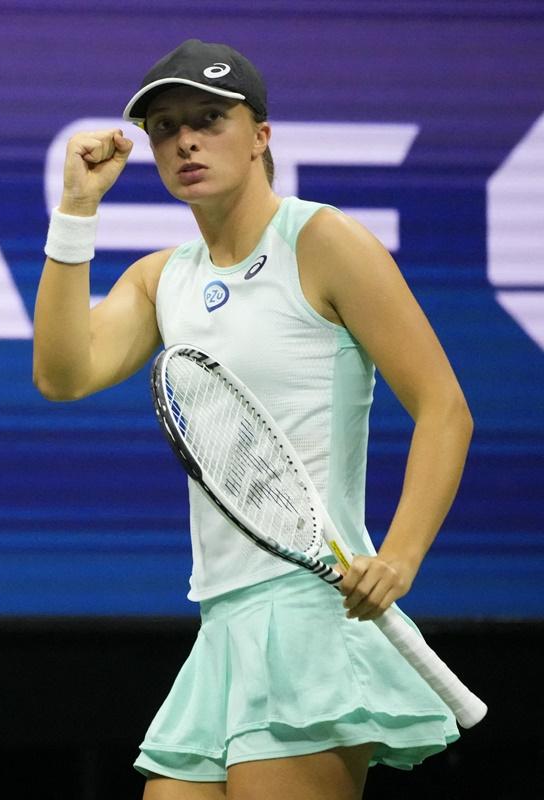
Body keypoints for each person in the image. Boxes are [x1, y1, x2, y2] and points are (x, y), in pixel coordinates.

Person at [32, 39, 472, 800]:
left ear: (261, 135)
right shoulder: (161, 277)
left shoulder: (323, 241)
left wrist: (398, 558)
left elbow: (444, 408)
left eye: (209, 118)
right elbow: (62, 375)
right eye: (166, 128)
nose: (186, 141)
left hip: (311, 614)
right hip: (223, 622)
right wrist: (76, 209)